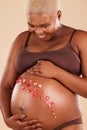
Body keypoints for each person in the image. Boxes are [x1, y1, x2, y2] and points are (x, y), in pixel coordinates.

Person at [0, 0, 87, 129]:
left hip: (65, 125)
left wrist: (56, 72)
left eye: (45, 26)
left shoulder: (80, 38)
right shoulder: (22, 39)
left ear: (58, 15)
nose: (39, 32)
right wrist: (7, 119)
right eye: (32, 26)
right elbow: (5, 86)